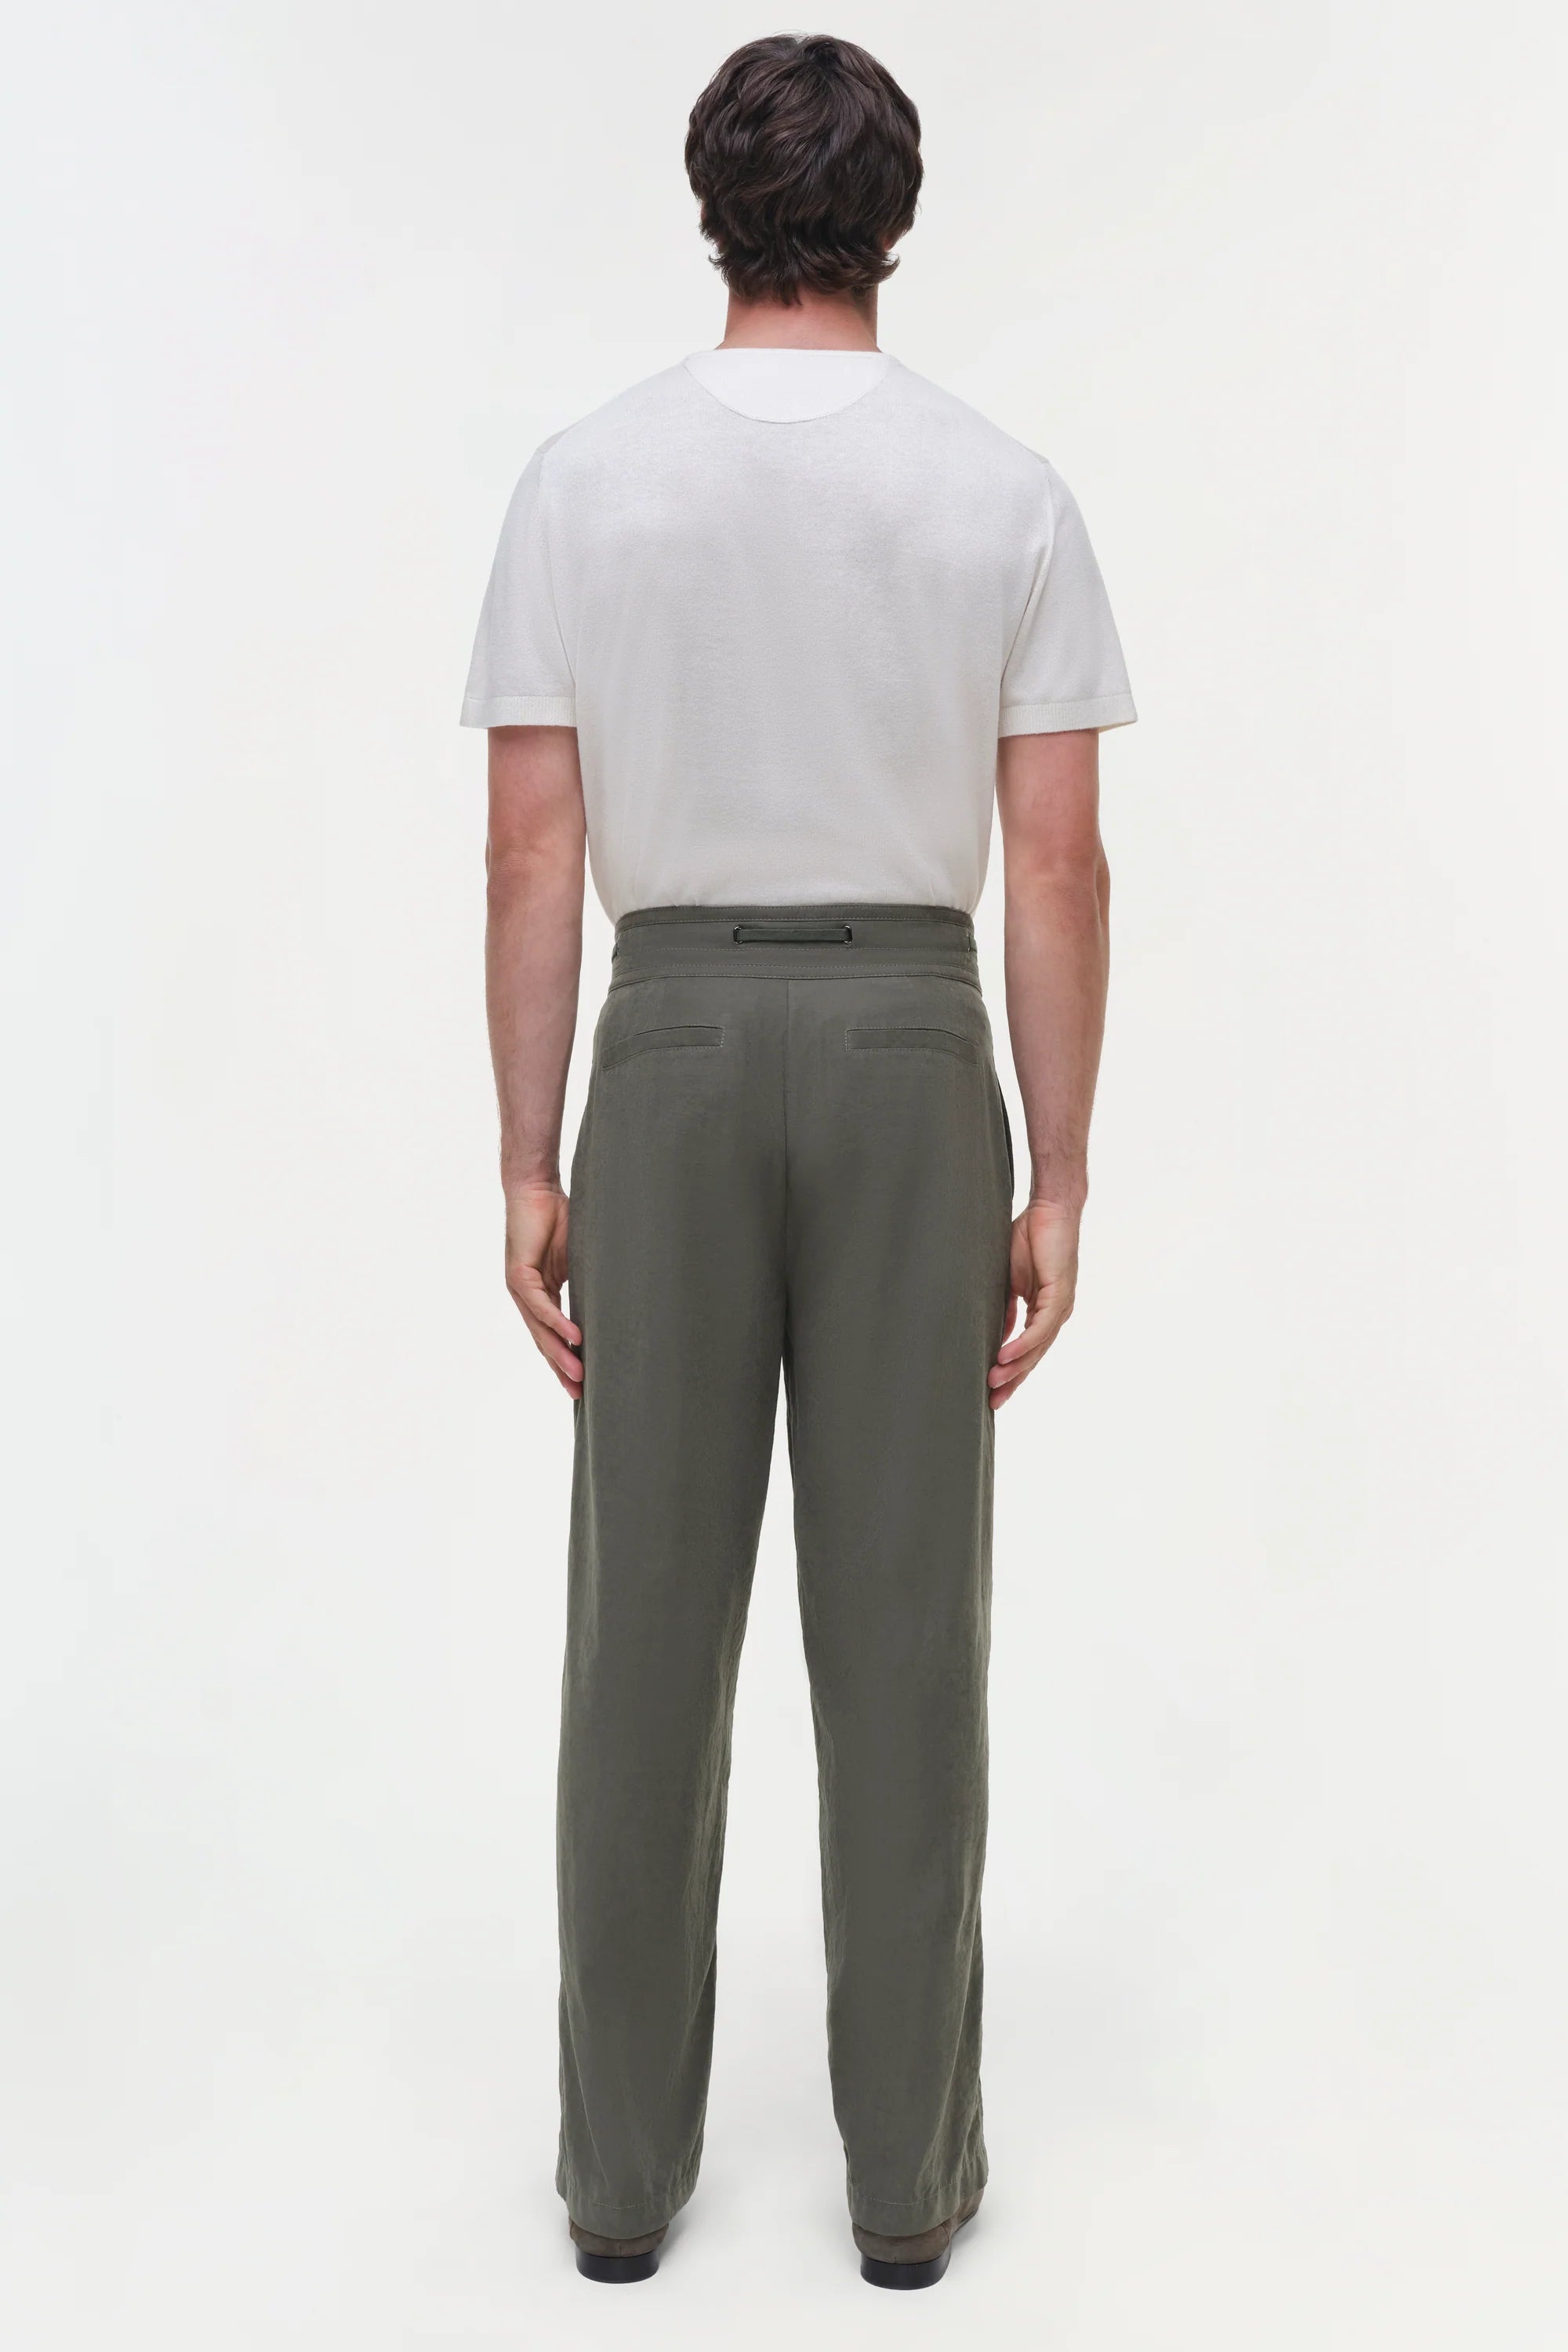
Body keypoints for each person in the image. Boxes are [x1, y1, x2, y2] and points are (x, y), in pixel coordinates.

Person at [461, 31, 1134, 2291]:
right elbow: (1058, 868)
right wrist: (1059, 1175)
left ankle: (616, 2186)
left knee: (642, 1636)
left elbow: (529, 849)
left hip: (661, 1045)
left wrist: (526, 1156)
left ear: (713, 208)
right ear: (895, 217)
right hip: (911, 1046)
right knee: (905, 1630)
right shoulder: (1001, 490)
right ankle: (909, 2189)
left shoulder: (586, 482)